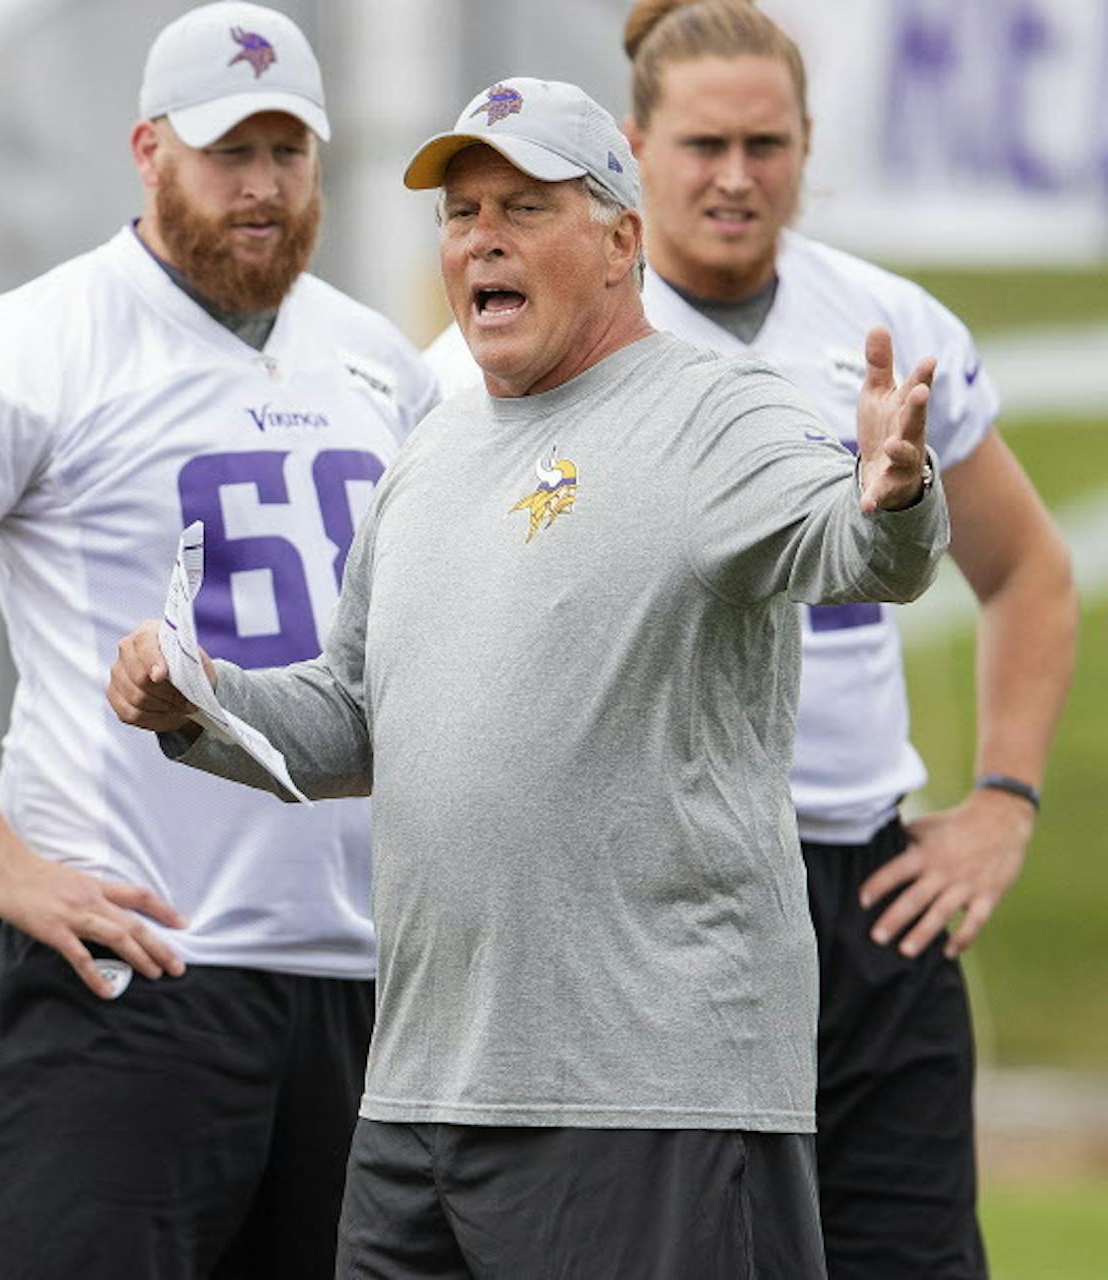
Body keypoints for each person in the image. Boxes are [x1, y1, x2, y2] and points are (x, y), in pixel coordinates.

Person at [109, 76, 949, 1276]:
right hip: (421, 1095)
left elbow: (861, 549)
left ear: (619, 240)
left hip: (647, 1091)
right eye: (460, 213)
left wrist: (896, 496)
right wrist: (200, 699)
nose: (482, 238)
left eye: (525, 206)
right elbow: (356, 718)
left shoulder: (714, 415)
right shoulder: (431, 449)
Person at [0, 4, 438, 1274]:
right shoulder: (37, 345)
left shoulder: (379, 362)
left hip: (357, 980)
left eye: (287, 151)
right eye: (227, 151)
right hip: (130, 966)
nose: (262, 186)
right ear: (149, 151)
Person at [422, 7, 1077, 1273]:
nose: (735, 177)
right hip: (651, 907)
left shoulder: (885, 323)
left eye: (765, 144)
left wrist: (1003, 799)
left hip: (861, 884)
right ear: (633, 152)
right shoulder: (521, 347)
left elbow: (1028, 571)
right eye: (704, 144)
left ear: (808, 144)